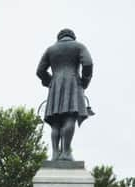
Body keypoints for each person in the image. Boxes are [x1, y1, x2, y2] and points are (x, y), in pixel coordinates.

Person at [36, 28, 93, 161]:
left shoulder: (50, 49)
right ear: (72, 36)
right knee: (69, 118)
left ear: (59, 37)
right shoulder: (79, 46)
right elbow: (88, 63)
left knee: (56, 123)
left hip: (55, 86)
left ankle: (55, 154)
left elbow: (39, 71)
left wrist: (50, 81)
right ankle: (66, 153)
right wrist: (84, 82)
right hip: (73, 83)